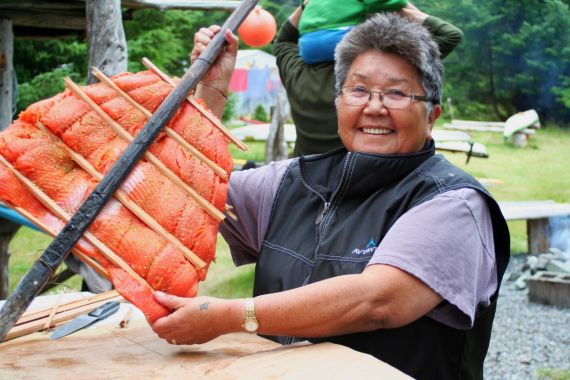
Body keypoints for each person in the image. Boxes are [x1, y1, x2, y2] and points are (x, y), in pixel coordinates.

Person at [151, 14, 510, 379]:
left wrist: (233, 316)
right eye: (359, 90)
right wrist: (211, 92)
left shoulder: (454, 202)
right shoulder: (290, 182)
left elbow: (378, 300)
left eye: (397, 93)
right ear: (337, 103)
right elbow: (185, 191)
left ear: (432, 114)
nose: (374, 106)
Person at [276, 1, 464, 156]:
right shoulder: (380, 72)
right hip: (367, 182)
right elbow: (450, 35)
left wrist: (307, 5)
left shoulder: (295, 73)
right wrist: (398, 8)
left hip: (305, 178)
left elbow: (284, 39)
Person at [299, 0, 408, 64]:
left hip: (306, 45)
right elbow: (379, 2)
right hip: (339, 38)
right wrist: (402, 2)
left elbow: (304, 3)